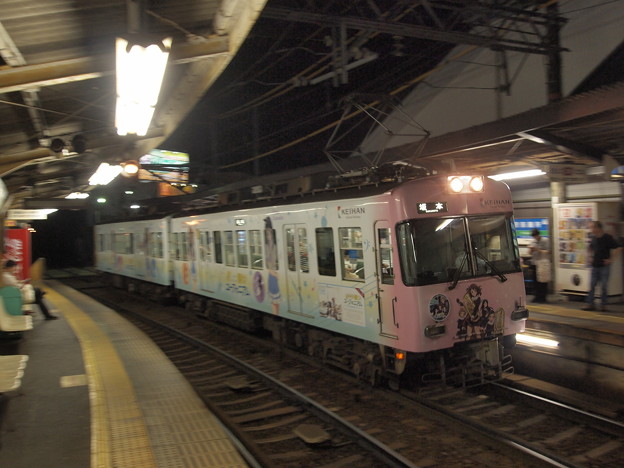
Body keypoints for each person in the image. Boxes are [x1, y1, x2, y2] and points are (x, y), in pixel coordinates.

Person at [583, 221, 621, 311]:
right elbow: (590, 248)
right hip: (594, 265)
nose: (591, 230)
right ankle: (590, 304)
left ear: (598, 228)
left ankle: (603, 305)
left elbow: (618, 247)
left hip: (604, 265)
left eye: (592, 227)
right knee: (592, 285)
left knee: (604, 285)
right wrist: (590, 257)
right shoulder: (593, 238)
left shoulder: (607, 237)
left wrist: (611, 259)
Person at [529, 228, 550, 303]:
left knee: (543, 281)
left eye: (536, 235)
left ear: (538, 234)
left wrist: (538, 250)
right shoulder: (533, 241)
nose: (535, 237)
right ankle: (537, 297)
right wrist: (531, 250)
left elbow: (548, 251)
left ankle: (543, 297)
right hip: (535, 263)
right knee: (535, 282)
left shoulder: (545, 240)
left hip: (543, 263)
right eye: (533, 236)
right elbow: (529, 253)